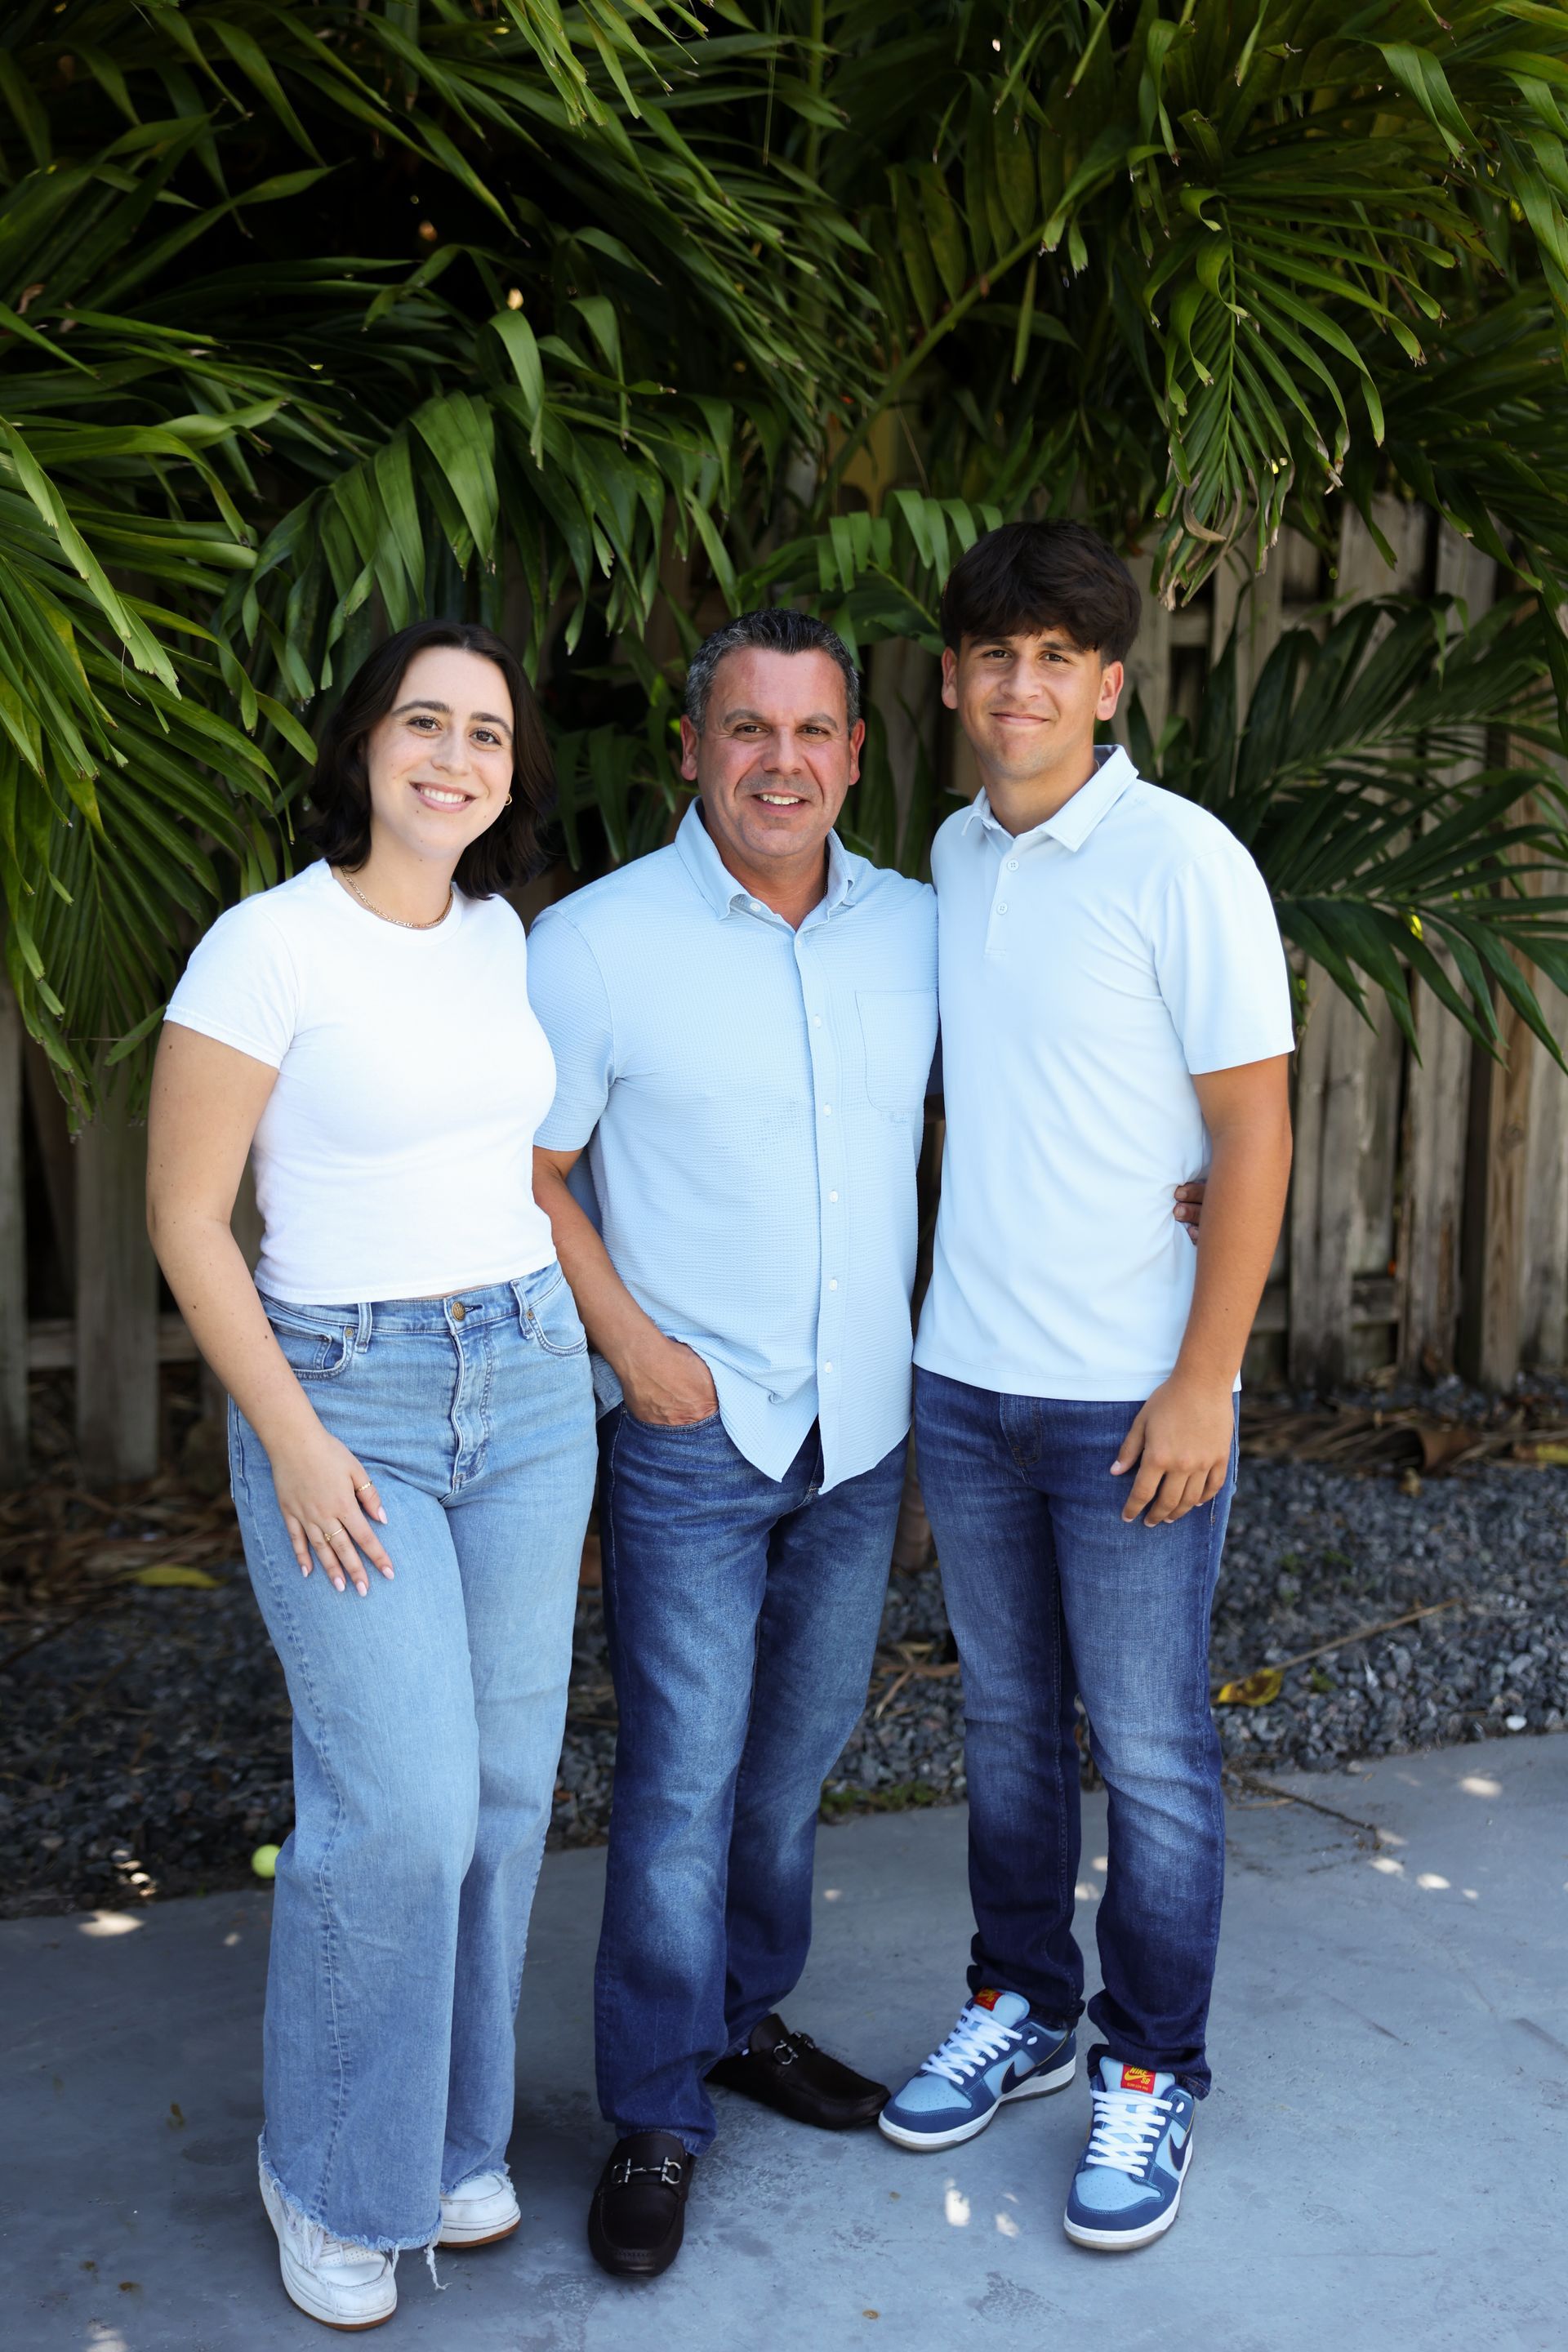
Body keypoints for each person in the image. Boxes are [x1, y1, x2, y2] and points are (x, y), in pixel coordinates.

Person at [147, 620, 597, 2331]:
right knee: (395, 1809)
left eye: (487, 735)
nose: (456, 756)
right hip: (349, 1397)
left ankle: (450, 2142)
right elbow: (190, 1220)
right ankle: (333, 2175)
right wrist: (296, 1440)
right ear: (364, 747)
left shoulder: (499, 938)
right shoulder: (266, 948)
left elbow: (517, 1164)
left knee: (497, 1794)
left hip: (531, 1382)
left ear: (510, 777)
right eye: (426, 721)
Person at [880, 522, 1294, 2254]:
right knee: (999, 1731)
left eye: (1059, 655)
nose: (1022, 683)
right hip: (969, 1380)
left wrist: (1207, 1377)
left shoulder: (1184, 860)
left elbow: (1254, 1123)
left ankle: (1153, 2067)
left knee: (1151, 1748)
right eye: (995, 655)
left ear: (1108, 686)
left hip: (1136, 1395)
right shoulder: (954, 858)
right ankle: (1024, 2006)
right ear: (961, 684)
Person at [525, 609, 938, 2280]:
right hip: (694, 1435)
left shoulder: (917, 929)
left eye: (815, 732)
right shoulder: (600, 943)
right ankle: (653, 2111)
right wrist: (634, 1353)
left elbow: (1054, 1082)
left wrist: (1190, 1186)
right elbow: (530, 1173)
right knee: (684, 1788)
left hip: (862, 1430)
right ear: (693, 749)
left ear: (854, 753)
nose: (783, 762)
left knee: (792, 1770)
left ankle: (743, 2022)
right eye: (748, 731)